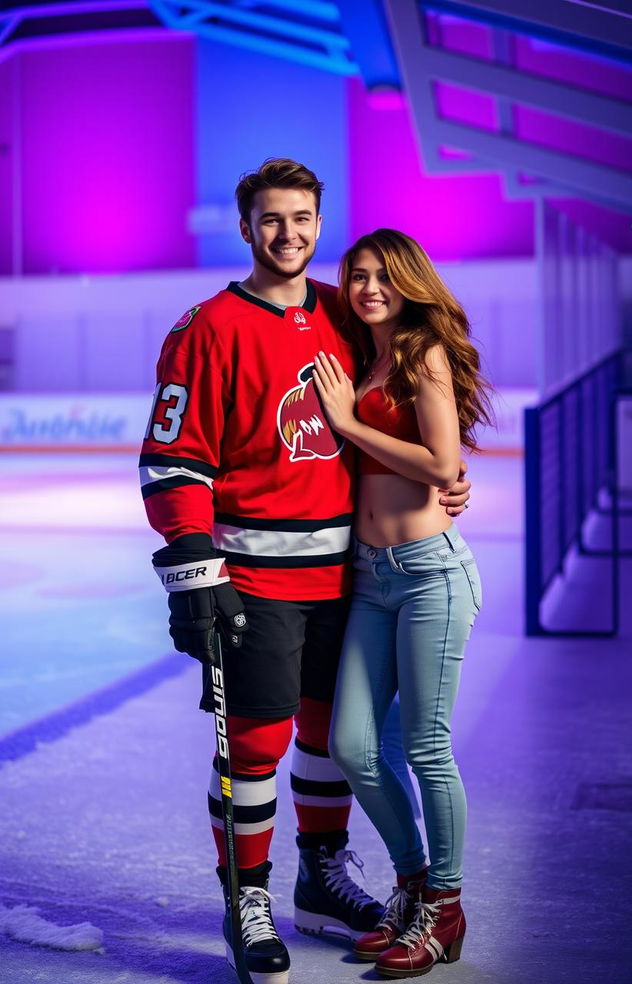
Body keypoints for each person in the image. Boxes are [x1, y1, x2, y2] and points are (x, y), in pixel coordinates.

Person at [139, 161, 471, 984]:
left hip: (350, 577)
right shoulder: (206, 326)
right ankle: (245, 897)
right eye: (272, 220)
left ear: (320, 222)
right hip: (254, 577)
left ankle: (322, 881)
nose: (289, 234)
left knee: (331, 742)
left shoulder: (341, 310)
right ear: (245, 227)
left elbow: (401, 400)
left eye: (303, 219)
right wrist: (193, 564)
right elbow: (172, 458)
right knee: (255, 745)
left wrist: (446, 473)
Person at [313, 229, 492, 978]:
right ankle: (413, 886)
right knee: (354, 746)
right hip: (371, 577)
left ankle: (444, 909)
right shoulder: (360, 357)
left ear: (410, 280)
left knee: (424, 746)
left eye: (383, 275)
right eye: (357, 275)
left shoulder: (422, 351)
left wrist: (350, 422)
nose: (369, 287)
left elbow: (442, 462)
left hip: (428, 575)